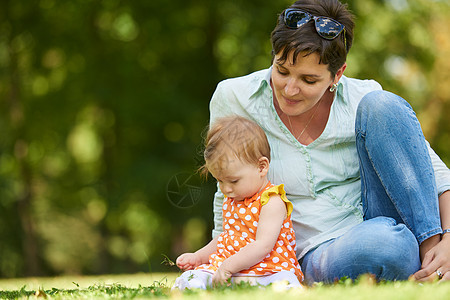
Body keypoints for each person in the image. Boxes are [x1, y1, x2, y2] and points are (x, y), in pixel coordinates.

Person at [208, 0, 450, 285]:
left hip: (372, 218)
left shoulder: (362, 96)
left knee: (383, 104)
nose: (290, 89)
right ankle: (412, 262)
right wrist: (219, 261)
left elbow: (434, 176)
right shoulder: (234, 97)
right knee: (387, 244)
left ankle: (433, 256)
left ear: (337, 74)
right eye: (282, 70)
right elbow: (227, 187)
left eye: (309, 80)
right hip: (311, 251)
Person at [172, 116, 303, 290]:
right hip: (230, 271)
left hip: (267, 270)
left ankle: (275, 286)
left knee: (284, 282)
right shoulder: (233, 199)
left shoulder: (271, 201)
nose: (226, 189)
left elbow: (262, 245)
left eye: (233, 181)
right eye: (219, 181)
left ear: (261, 167)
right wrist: (198, 257)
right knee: (192, 277)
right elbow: (225, 239)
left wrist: (228, 266)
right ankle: (200, 284)